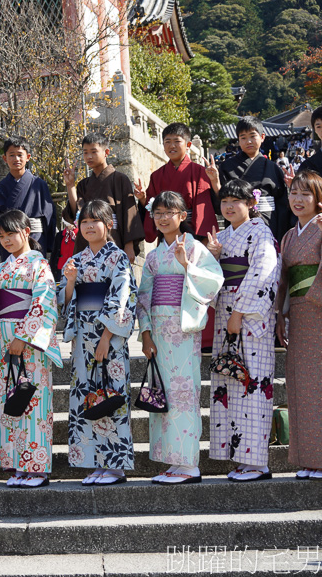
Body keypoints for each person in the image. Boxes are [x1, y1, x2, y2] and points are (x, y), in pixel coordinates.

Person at [137, 192, 223, 485]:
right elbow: (144, 297)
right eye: (157, 213)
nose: (162, 218)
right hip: (159, 332)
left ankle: (189, 464)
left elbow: (214, 280)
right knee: (164, 394)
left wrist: (187, 265)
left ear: (182, 216)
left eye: (168, 213)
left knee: (184, 393)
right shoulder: (153, 256)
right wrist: (145, 334)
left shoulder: (195, 248)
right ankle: (172, 461)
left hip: (183, 329)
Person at [204, 179, 280, 482]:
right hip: (225, 312)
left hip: (249, 317)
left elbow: (263, 273)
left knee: (252, 382)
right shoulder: (221, 236)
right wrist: (212, 257)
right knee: (230, 382)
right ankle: (239, 458)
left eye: (237, 201)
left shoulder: (261, 232)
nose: (229, 206)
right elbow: (208, 278)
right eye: (225, 202)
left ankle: (257, 462)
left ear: (251, 204)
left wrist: (238, 313)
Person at [58, 201, 138, 485]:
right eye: (85, 222)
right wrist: (69, 282)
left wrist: (106, 337)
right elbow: (65, 302)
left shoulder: (118, 258)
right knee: (87, 397)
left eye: (96, 220)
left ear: (109, 224)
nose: (89, 226)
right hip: (82, 337)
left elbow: (123, 299)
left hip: (109, 339)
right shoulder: (77, 260)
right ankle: (94, 462)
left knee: (111, 394)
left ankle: (115, 465)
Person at [0, 211, 61, 488]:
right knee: (7, 402)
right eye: (1, 236)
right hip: (1, 342)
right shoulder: (4, 267)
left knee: (32, 402)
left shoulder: (39, 265)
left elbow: (44, 301)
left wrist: (24, 336)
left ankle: (36, 468)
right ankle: (16, 465)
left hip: (27, 343)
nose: (6, 240)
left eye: (11, 234)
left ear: (26, 231)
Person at [275, 170, 322, 479]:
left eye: (305, 194)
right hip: (299, 316)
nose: (297, 199)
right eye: (293, 193)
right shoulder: (290, 236)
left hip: (319, 313)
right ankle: (308, 458)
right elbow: (283, 279)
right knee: (301, 387)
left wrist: (314, 298)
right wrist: (280, 313)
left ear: (318, 198)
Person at [207, 116, 291, 243]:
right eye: (243, 138)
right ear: (238, 140)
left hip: (268, 223)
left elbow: (282, 205)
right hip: (237, 224)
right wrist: (215, 182)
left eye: (252, 136)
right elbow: (221, 204)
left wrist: (280, 234)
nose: (249, 141)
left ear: (262, 137)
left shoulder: (273, 168)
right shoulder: (227, 167)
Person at [62, 133, 144, 262]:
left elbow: (129, 213)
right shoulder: (84, 184)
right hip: (87, 241)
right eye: (85, 153)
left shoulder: (120, 179)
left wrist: (129, 246)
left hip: (113, 238)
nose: (89, 156)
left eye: (94, 152)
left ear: (106, 152)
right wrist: (70, 185)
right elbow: (76, 212)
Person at [134, 122, 219, 243]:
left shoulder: (200, 172)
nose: (172, 146)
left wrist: (215, 181)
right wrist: (142, 198)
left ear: (188, 144)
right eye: (167, 142)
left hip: (193, 232)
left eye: (177, 141)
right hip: (166, 231)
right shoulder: (157, 175)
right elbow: (151, 206)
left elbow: (206, 206)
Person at [0, 137, 57, 260]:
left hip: (35, 239)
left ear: (28, 157)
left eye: (20, 155)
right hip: (9, 243)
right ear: (5, 158)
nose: (16, 159)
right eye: (12, 155)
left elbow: (49, 217)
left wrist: (50, 244)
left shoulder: (39, 184)